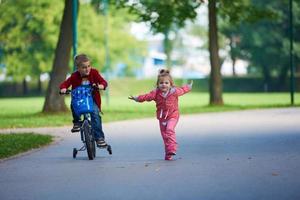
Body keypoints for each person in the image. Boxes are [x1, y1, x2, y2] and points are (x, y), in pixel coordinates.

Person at [129, 69, 193, 160]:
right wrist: (137, 98)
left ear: (170, 84)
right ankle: (168, 154)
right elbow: (146, 97)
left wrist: (189, 87)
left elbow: (183, 90)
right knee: (165, 136)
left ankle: (172, 148)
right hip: (162, 117)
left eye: (166, 83)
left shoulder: (174, 92)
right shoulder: (155, 93)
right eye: (161, 83)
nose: (164, 84)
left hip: (173, 115)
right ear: (158, 84)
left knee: (169, 129)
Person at [60, 54, 108, 147]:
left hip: (92, 99)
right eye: (84, 67)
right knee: (73, 105)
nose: (87, 69)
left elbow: (103, 82)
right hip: (79, 99)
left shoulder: (94, 73)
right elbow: (65, 84)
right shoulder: (74, 76)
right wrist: (63, 89)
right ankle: (77, 122)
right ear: (78, 68)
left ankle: (99, 138)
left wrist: (101, 86)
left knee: (95, 114)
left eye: (89, 66)